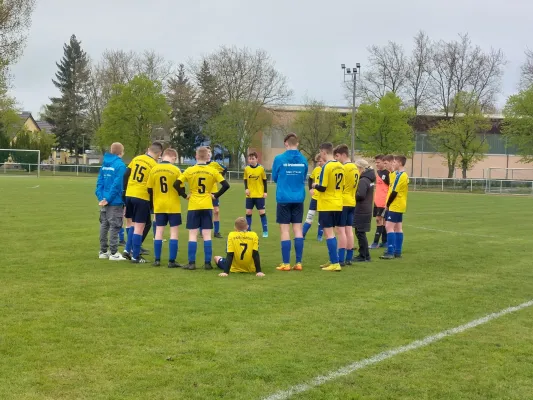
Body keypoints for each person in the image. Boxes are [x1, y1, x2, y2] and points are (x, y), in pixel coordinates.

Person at [175, 146, 230, 270]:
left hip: (194, 205)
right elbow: (226, 185)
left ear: (196, 156)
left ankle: (191, 263)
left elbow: (176, 184)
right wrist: (215, 195)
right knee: (207, 234)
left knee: (193, 234)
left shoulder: (190, 170)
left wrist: (184, 195)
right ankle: (207, 263)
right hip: (207, 204)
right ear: (207, 157)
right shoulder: (213, 171)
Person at [272, 133, 308, 271]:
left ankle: (286, 263)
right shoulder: (303, 159)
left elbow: (275, 177)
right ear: (297, 143)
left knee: (285, 230)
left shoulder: (279, 158)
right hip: (298, 197)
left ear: (285, 143)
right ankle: (298, 262)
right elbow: (303, 176)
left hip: (284, 198)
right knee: (298, 229)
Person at [123, 141, 163, 263]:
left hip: (129, 194)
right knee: (140, 227)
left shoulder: (137, 158)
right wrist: (152, 203)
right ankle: (135, 256)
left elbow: (126, 174)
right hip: (142, 196)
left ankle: (127, 249)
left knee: (133, 224)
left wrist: (124, 191)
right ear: (159, 153)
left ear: (148, 149)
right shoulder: (154, 165)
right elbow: (152, 186)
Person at [146, 148, 183, 268]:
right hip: (173, 205)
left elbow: (149, 189)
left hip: (159, 205)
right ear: (172, 157)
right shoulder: (176, 170)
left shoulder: (154, 169)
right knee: (174, 233)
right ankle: (171, 261)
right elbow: (180, 188)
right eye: (175, 159)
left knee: (159, 232)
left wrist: (153, 203)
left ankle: (157, 260)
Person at [314, 142, 344, 272]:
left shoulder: (327, 167)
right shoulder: (340, 166)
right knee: (332, 232)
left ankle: (335, 263)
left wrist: (315, 185)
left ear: (324, 152)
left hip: (327, 203)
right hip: (338, 202)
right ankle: (333, 259)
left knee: (329, 233)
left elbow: (323, 187)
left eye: (321, 153)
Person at [95, 142, 127, 261]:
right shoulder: (120, 165)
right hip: (115, 201)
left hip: (104, 200)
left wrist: (101, 197)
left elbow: (100, 182)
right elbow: (117, 185)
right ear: (121, 152)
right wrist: (108, 199)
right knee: (115, 225)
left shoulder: (104, 164)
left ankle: (103, 251)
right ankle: (114, 252)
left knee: (104, 225)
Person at [333, 144, 359, 266]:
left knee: (340, 230)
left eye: (337, 156)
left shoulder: (344, 168)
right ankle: (349, 258)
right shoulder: (355, 167)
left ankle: (340, 259)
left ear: (343, 154)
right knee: (349, 230)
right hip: (352, 201)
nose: (337, 159)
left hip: (343, 202)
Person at [380, 155, 409, 260]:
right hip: (398, 204)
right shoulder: (398, 174)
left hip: (395, 205)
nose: (393, 163)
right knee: (398, 228)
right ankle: (397, 251)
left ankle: (390, 251)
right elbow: (392, 181)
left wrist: (387, 204)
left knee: (389, 227)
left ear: (400, 163)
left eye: (395, 162)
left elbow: (394, 192)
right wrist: (391, 170)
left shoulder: (401, 175)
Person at [353, 159, 375, 262]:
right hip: (366, 209)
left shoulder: (363, 180)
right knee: (361, 232)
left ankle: (364, 255)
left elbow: (361, 195)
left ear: (360, 168)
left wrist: (351, 195)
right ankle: (365, 255)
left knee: (360, 233)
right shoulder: (369, 180)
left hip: (362, 209)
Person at [244, 152, 269, 238]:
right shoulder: (246, 169)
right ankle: (248, 230)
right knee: (248, 212)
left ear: (257, 159)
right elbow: (245, 180)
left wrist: (265, 192)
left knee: (261, 212)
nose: (251, 160)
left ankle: (265, 231)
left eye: (253, 158)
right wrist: (246, 189)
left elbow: (265, 180)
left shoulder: (261, 169)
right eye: (250, 158)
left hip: (259, 195)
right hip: (250, 195)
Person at [206, 146, 228, 239]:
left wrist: (219, 177)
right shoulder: (199, 165)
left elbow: (225, 169)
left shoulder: (214, 164)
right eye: (206, 152)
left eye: (209, 152)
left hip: (214, 191)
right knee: (205, 211)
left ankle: (216, 232)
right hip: (204, 192)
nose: (208, 154)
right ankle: (202, 230)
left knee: (216, 211)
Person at [369, 155, 390, 249]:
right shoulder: (377, 173)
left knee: (379, 220)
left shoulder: (388, 173)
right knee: (383, 221)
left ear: (383, 162)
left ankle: (375, 242)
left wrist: (387, 202)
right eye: (376, 162)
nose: (376, 164)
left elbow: (391, 187)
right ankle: (384, 242)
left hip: (383, 201)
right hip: (377, 201)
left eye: (378, 162)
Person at [302, 153, 324, 241]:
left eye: (320, 161)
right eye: (318, 161)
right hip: (315, 198)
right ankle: (302, 235)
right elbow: (310, 179)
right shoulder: (316, 169)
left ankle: (319, 236)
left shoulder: (328, 169)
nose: (319, 163)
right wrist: (310, 189)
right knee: (309, 216)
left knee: (322, 219)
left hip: (324, 199)